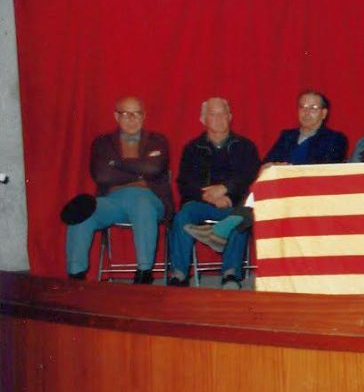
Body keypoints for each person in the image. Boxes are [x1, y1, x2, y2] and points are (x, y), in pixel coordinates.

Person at [64, 96, 174, 284]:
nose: (131, 118)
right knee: (82, 209)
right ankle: (76, 275)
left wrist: (117, 164)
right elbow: (102, 176)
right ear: (116, 116)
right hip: (112, 200)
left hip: (149, 197)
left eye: (136, 113)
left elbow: (154, 168)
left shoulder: (158, 140)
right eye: (125, 113)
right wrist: (140, 171)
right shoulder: (103, 142)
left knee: (142, 204)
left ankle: (144, 272)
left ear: (144, 116)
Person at [167, 98, 260, 289]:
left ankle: (231, 274)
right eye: (212, 114)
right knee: (183, 216)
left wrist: (226, 190)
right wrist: (209, 196)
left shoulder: (246, 147)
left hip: (233, 204)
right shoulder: (192, 148)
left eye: (222, 113)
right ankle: (179, 273)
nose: (218, 118)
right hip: (201, 203)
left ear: (230, 117)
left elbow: (250, 176)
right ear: (202, 119)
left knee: (239, 218)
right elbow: (184, 183)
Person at [263, 90, 348, 165]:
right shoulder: (287, 137)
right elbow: (267, 164)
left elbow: (326, 167)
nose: (306, 112)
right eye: (302, 107)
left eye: (313, 108)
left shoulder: (335, 139)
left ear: (324, 113)